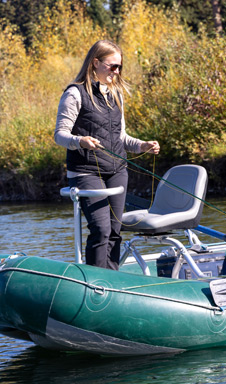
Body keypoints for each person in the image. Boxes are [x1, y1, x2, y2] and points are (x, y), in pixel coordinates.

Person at [54, 40, 160, 270]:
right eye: (112, 66)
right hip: (85, 172)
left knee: (114, 231)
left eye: (120, 66)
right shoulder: (75, 93)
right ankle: (95, 283)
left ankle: (112, 281)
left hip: (118, 172)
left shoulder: (116, 95)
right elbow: (60, 135)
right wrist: (79, 141)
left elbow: (121, 137)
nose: (117, 71)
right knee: (100, 230)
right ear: (95, 63)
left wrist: (142, 146)